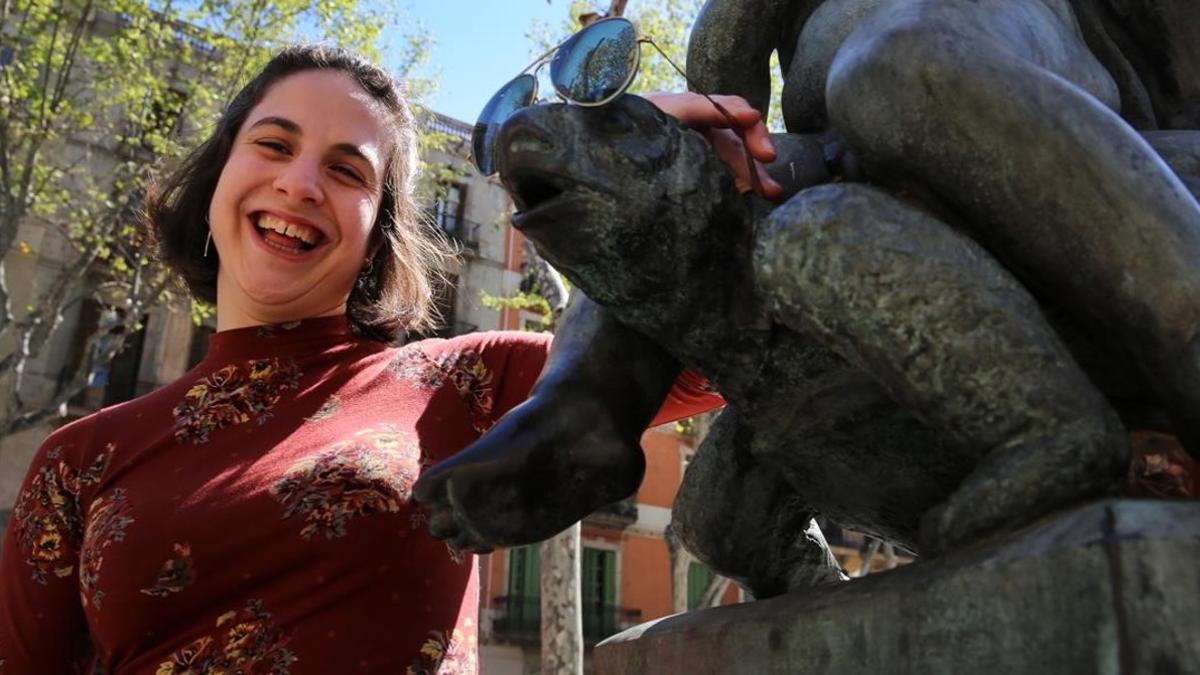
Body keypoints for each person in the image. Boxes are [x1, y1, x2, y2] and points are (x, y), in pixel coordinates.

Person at [0, 44, 775, 673]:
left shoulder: (464, 382)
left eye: (346, 170)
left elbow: (718, 354)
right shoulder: (78, 461)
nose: (300, 182)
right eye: (273, 144)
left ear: (379, 229)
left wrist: (663, 181)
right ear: (220, 174)